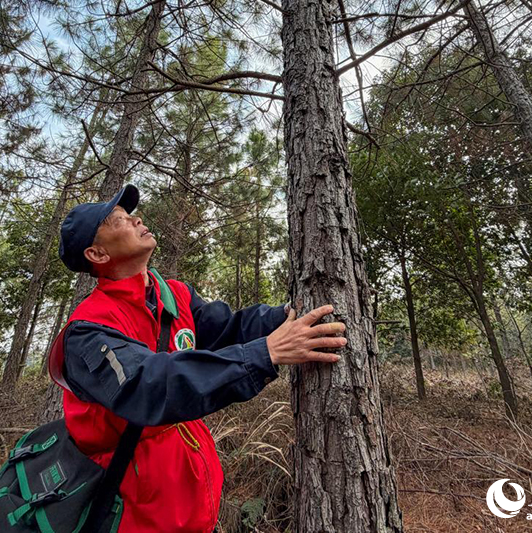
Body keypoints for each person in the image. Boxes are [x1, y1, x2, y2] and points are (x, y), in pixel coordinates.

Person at [47, 184, 346, 532]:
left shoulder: (172, 295)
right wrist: (268, 353)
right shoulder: (87, 329)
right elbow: (148, 386)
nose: (136, 219)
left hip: (192, 510)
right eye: (119, 220)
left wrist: (288, 316)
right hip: (131, 515)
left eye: (131, 215)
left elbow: (228, 330)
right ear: (97, 254)